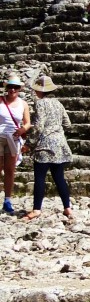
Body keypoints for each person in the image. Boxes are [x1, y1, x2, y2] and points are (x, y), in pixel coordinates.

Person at [24, 74, 73, 221]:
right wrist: (56, 129)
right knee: (59, 177)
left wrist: (29, 143)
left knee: (40, 177)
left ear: (39, 90)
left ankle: (36, 209)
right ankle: (67, 208)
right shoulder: (58, 104)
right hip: (60, 144)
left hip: (45, 145)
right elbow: (67, 124)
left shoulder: (40, 104)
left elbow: (39, 126)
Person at [1, 74, 31, 216]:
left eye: (15, 87)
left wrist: (22, 130)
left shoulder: (23, 104)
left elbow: (27, 122)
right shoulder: (0, 101)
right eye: (10, 87)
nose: (12, 89)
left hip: (13, 138)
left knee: (10, 169)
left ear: (19, 89)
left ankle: (7, 200)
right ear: (7, 88)